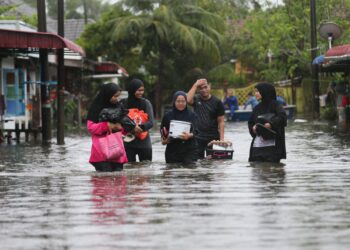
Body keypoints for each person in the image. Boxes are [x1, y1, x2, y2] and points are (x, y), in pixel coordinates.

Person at [86, 83, 127, 172]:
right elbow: (90, 127)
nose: (117, 99)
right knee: (103, 181)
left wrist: (122, 128)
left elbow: (123, 126)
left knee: (120, 181)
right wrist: (107, 125)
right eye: (115, 96)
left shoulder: (119, 107)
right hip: (101, 151)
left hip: (117, 151)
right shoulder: (96, 108)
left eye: (118, 96)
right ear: (107, 94)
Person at [248, 82, 287, 163]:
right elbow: (251, 122)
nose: (255, 94)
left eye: (258, 91)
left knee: (273, 171)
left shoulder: (276, 105)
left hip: (273, 148)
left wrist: (271, 124)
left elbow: (282, 117)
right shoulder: (256, 108)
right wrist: (253, 128)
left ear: (265, 91)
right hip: (257, 148)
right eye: (255, 91)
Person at [187, 78, 225, 159]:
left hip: (213, 138)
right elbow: (188, 100)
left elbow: (221, 122)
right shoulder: (196, 99)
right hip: (198, 137)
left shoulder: (217, 102)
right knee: (197, 162)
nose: (204, 90)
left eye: (205, 87)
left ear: (209, 87)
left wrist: (222, 140)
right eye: (201, 88)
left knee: (213, 163)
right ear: (198, 90)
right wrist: (195, 84)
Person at [121, 79, 154, 162]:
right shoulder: (123, 103)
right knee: (128, 170)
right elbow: (119, 119)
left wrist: (140, 127)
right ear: (132, 89)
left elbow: (151, 122)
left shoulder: (146, 103)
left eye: (142, 90)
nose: (141, 93)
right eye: (138, 90)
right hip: (127, 142)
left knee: (146, 169)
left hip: (144, 143)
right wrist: (132, 128)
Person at [160, 91, 198, 164]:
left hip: (190, 150)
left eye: (183, 101)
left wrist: (190, 135)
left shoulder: (192, 115)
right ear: (174, 102)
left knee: (189, 172)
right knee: (172, 171)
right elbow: (163, 133)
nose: (181, 103)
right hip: (172, 151)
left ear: (186, 102)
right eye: (178, 101)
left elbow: (197, 131)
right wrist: (164, 141)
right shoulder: (167, 116)